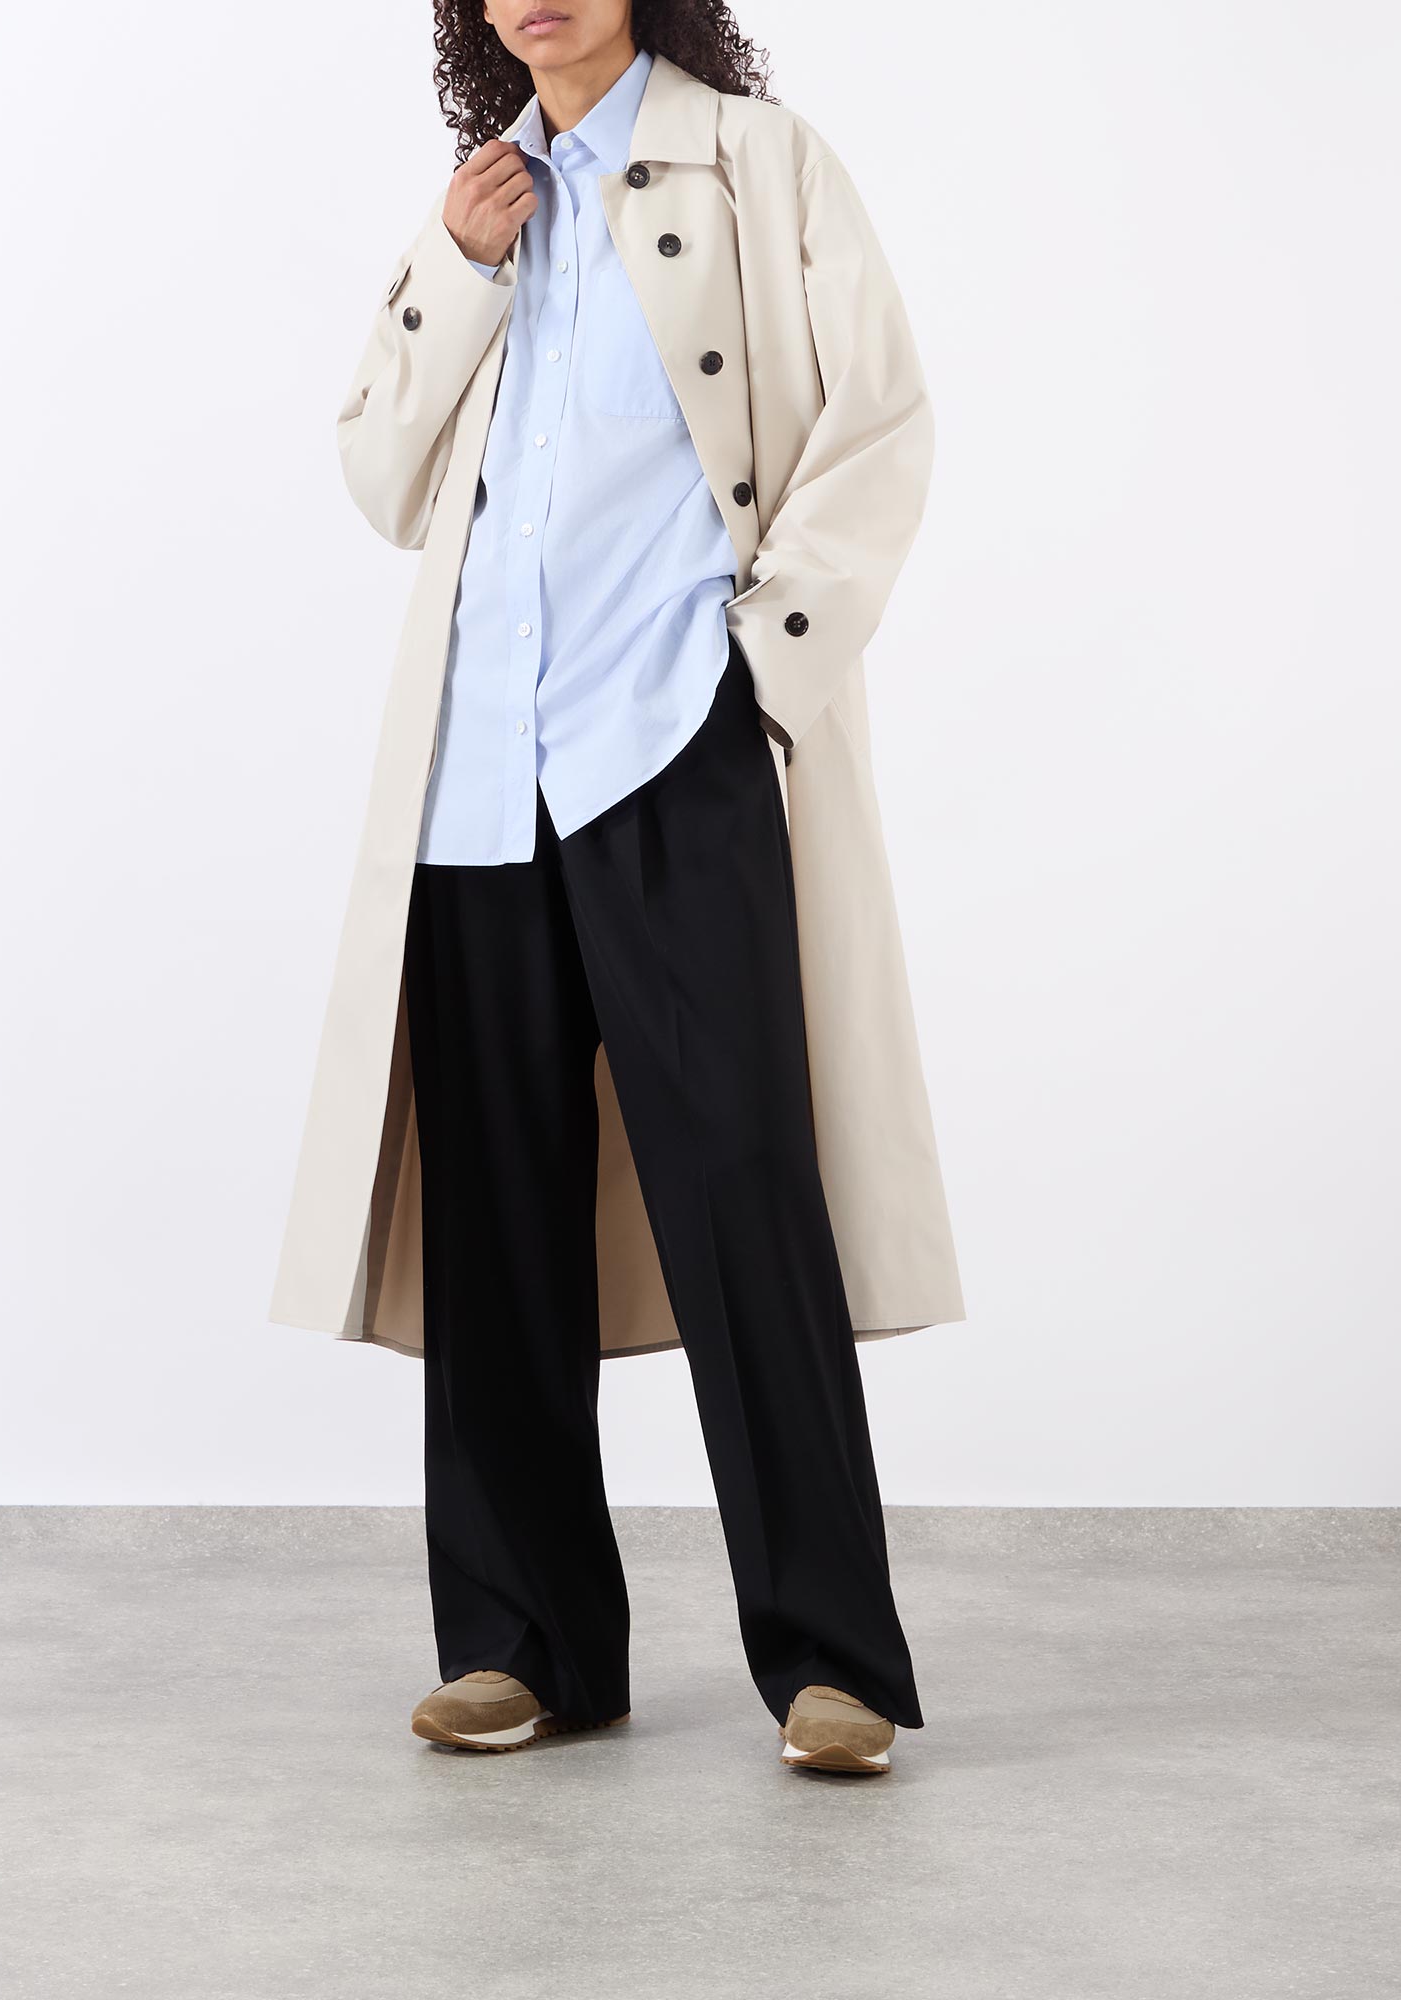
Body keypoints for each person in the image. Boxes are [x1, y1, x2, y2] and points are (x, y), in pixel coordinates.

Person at [269, 0, 964, 1776]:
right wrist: (453, 266)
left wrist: (760, 669)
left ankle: (832, 1661)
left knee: (747, 1192)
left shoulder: (759, 164)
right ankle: (525, 1646)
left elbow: (879, 426)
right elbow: (378, 478)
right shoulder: (481, 203)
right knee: (496, 1219)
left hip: (673, 747)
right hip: (476, 773)